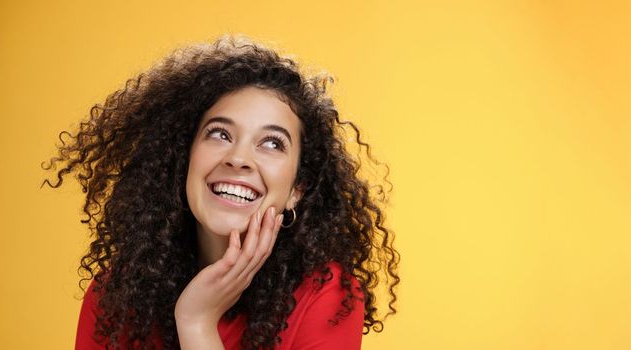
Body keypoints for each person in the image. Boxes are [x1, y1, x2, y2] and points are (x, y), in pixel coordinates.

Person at [43, 36, 399, 350]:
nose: (239, 158)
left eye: (272, 143)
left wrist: (196, 323)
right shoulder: (114, 298)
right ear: (184, 160)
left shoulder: (328, 298)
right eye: (220, 134)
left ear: (297, 190)